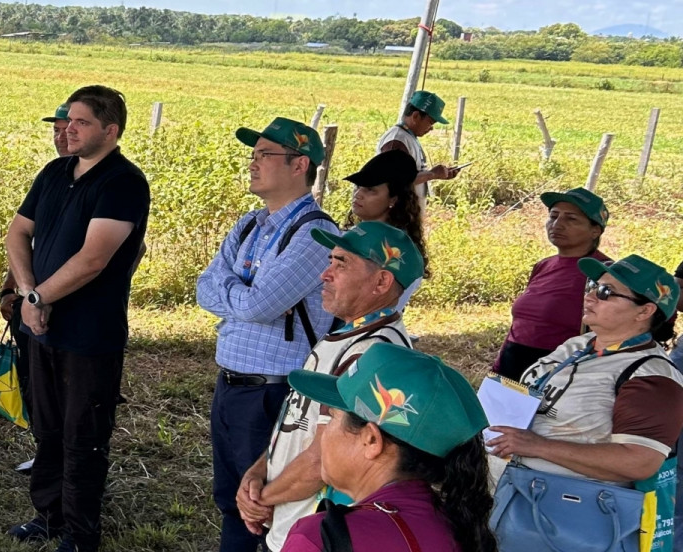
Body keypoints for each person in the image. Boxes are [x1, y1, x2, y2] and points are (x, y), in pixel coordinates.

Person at [2, 85, 151, 552]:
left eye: (81, 121)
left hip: (90, 332)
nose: (68, 128)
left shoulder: (122, 182)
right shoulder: (53, 172)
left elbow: (93, 259)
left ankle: (82, 533)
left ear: (111, 130)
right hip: (39, 325)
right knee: (46, 427)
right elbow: (17, 232)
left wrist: (39, 297)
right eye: (67, 119)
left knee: (82, 434)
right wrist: (30, 295)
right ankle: (48, 516)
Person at [198, 117, 341, 552]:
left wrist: (236, 293)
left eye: (265, 155)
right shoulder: (249, 224)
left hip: (273, 394)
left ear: (300, 165)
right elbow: (204, 287)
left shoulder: (315, 234)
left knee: (264, 507)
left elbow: (260, 305)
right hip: (233, 385)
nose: (253, 163)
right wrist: (241, 294)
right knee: (231, 499)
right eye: (254, 154)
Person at [237, 221, 423, 550]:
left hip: (310, 532)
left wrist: (260, 498)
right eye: (330, 261)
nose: (325, 274)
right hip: (291, 524)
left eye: (341, 264)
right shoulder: (351, 335)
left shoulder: (372, 354)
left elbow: (322, 458)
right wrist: (257, 472)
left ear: (381, 281)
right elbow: (297, 424)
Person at [487, 255, 683, 490]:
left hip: (564, 509)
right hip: (513, 493)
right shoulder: (580, 344)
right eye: (592, 286)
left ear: (644, 311)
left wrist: (536, 446)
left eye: (605, 292)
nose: (589, 297)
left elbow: (640, 461)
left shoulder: (651, 376)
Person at [280, 345, 498, 552]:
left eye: (332, 418)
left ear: (371, 440)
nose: (322, 436)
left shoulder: (318, 539)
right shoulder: (459, 528)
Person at [0, 102, 75, 476]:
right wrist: (12, 289)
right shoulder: (51, 175)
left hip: (74, 311)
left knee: (72, 396)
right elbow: (22, 238)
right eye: (56, 130)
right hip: (32, 303)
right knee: (34, 383)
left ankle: (71, 468)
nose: (62, 136)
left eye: (69, 128)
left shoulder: (114, 182)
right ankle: (46, 455)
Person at [489, 188, 612, 380]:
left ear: (595, 230)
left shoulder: (604, 274)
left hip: (558, 374)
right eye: (553, 216)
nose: (557, 224)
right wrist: (498, 368)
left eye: (571, 219)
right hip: (511, 366)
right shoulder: (543, 265)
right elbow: (521, 325)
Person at [342, 150, 426, 310]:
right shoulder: (357, 234)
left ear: (393, 200)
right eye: (359, 187)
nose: (358, 194)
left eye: (370, 190)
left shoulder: (394, 251)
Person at [376, 90, 461, 197]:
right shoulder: (397, 140)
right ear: (416, 116)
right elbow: (394, 181)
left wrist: (436, 174)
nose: (431, 129)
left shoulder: (408, 137)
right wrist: (432, 174)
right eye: (430, 122)